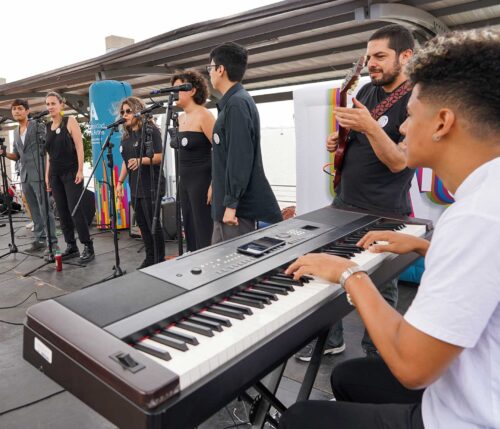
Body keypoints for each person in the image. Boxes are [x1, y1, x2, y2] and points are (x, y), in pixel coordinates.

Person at [280, 29, 500, 429]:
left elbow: (413, 368)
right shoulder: (486, 197)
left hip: (463, 416)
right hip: (467, 380)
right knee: (349, 377)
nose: (402, 128)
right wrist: (423, 246)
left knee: (300, 418)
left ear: (443, 122)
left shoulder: (476, 217)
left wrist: (349, 274)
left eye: (411, 116)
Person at [298, 24, 416, 360]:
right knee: (329, 272)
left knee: (382, 283)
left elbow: (399, 162)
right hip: (345, 203)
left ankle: (376, 355)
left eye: (380, 56)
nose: (371, 64)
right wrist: (339, 141)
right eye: (369, 56)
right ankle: (331, 339)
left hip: (385, 210)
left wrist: (368, 126)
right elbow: (357, 137)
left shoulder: (416, 98)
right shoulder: (365, 91)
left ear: (405, 56)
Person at [206, 42, 281, 244]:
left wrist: (231, 204)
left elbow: (239, 157)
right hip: (226, 204)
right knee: (219, 258)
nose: (209, 73)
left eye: (210, 67)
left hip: (235, 211)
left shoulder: (237, 104)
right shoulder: (234, 102)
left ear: (220, 69)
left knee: (232, 260)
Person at [0, 99, 57, 253]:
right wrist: (4, 153)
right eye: (14, 109)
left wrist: (48, 172)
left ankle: (52, 242)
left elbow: (48, 146)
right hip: (24, 175)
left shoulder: (37, 125)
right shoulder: (15, 132)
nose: (16, 111)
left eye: (19, 108)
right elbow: (17, 155)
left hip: (39, 172)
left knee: (45, 209)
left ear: (27, 111)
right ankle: (40, 239)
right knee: (34, 209)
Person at [115, 96, 165, 268]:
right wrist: (120, 182)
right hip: (135, 186)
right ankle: (150, 258)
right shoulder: (126, 137)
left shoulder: (151, 130)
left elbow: (159, 156)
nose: (125, 114)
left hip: (151, 185)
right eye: (122, 112)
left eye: (128, 111)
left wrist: (140, 160)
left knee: (153, 224)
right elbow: (126, 161)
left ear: (138, 111)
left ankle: (159, 259)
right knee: (143, 225)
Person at [44, 92, 94, 262]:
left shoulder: (70, 121)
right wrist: (47, 175)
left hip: (71, 173)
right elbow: (49, 155)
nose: (50, 107)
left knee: (75, 209)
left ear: (61, 105)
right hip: (55, 175)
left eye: (53, 103)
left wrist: (80, 170)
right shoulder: (47, 126)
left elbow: (80, 147)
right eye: (48, 104)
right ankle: (71, 246)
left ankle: (88, 245)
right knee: (62, 211)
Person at [171, 69, 215, 251]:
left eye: (179, 88)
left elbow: (221, 150)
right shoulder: (180, 118)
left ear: (193, 90)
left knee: (203, 227)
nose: (175, 93)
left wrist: (215, 183)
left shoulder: (204, 115)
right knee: (189, 225)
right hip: (185, 180)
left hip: (202, 180)